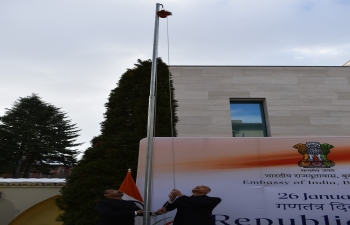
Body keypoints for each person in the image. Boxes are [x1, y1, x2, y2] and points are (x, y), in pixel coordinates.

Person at [156, 185, 221, 225]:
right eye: (197, 186)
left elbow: (199, 203)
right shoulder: (182, 199)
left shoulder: (214, 200)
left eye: (202, 187)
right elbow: (166, 209)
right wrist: (171, 200)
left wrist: (180, 195)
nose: (198, 187)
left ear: (207, 191)